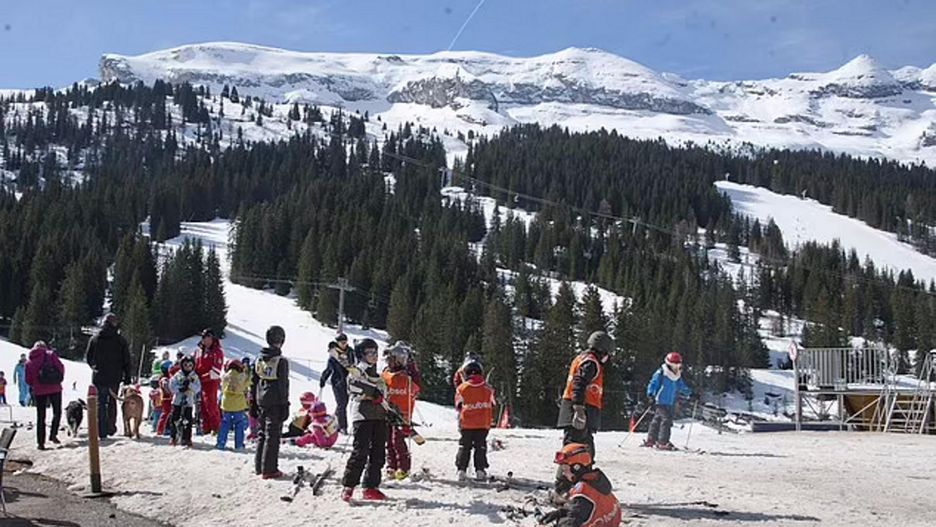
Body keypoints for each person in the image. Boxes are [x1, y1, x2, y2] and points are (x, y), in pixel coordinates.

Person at [556, 331, 614, 492]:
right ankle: (564, 488)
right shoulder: (591, 363)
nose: (607, 357)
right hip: (579, 412)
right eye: (607, 353)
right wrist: (579, 409)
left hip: (579, 410)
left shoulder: (582, 359)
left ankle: (574, 487)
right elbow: (579, 383)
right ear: (602, 350)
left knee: (582, 451)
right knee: (576, 453)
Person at [341, 338, 389, 502]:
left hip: (378, 416)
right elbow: (353, 386)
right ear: (361, 354)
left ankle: (370, 486)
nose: (374, 355)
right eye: (370, 352)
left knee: (378, 453)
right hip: (362, 416)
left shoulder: (379, 375)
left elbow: (383, 395)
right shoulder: (357, 371)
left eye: (376, 352)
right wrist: (371, 393)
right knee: (360, 452)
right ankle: (349, 486)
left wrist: (388, 409)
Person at [540, 443, 622, 527]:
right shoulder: (597, 482)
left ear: (576, 468)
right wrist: (560, 512)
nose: (563, 474)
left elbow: (574, 520)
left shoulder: (583, 493)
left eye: (565, 469)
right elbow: (584, 510)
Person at [250, 325, 290, 479]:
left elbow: (253, 382)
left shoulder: (259, 359)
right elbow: (283, 386)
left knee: (261, 434)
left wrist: (253, 402)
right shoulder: (281, 361)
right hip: (275, 402)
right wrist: (285, 405)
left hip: (260, 400)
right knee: (272, 436)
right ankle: (269, 469)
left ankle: (259, 466)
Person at [85, 314, 132, 440]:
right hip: (114, 377)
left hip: (99, 376)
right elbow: (126, 360)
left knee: (100, 403)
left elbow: (88, 357)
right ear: (114, 324)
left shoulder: (95, 339)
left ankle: (101, 430)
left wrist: (95, 367)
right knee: (112, 402)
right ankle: (111, 427)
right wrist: (127, 376)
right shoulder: (120, 340)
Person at [382, 342, 420, 480]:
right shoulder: (386, 373)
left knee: (397, 440)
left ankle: (403, 467)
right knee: (388, 441)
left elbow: (416, 387)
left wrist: (411, 366)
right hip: (387, 412)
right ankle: (391, 465)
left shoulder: (407, 376)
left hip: (402, 413)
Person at [454, 360, 495, 482]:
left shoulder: (462, 388)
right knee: (480, 446)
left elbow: (458, 405)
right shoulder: (488, 388)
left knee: (464, 446)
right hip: (483, 424)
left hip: (466, 424)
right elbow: (493, 404)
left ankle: (461, 470)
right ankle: (480, 470)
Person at [643, 352, 692, 451]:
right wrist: (651, 395)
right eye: (674, 365)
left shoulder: (676, 375)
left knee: (657, 420)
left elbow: (681, 386)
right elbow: (653, 384)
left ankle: (651, 439)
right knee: (666, 420)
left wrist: (690, 393)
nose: (676, 367)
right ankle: (663, 441)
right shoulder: (661, 373)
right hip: (660, 401)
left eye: (678, 365)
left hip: (669, 402)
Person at [24, 341, 65, 450]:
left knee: (41, 416)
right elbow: (61, 367)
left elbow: (28, 380)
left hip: (39, 391)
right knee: (57, 412)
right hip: (55, 388)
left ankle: (40, 443)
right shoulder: (50, 355)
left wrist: (36, 384)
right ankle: (53, 434)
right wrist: (58, 379)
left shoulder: (29, 362)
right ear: (45, 347)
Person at [195, 329, 224, 435]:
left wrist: (203, 377)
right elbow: (195, 365)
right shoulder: (198, 350)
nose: (205, 340)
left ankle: (216, 428)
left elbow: (216, 371)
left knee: (210, 405)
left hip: (210, 382)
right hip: (199, 382)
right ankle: (205, 428)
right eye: (203, 337)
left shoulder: (217, 351)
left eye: (207, 338)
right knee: (201, 405)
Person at [320, 334, 351, 434]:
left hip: (348, 382)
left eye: (345, 342)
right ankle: (343, 426)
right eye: (342, 342)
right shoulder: (334, 355)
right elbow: (329, 369)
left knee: (344, 403)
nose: (344, 344)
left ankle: (334, 421)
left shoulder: (350, 352)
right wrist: (323, 378)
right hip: (337, 382)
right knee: (341, 404)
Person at [217, 359, 250, 451]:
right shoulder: (242, 376)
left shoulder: (225, 376)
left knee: (224, 423)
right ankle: (238, 444)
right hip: (238, 404)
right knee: (239, 424)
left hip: (226, 403)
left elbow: (222, 387)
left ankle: (221, 443)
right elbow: (248, 383)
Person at [169, 356, 201, 447]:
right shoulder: (178, 375)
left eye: (190, 365)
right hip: (177, 401)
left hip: (188, 402)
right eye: (185, 365)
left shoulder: (194, 376)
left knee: (188, 420)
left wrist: (190, 385)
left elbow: (198, 388)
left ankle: (186, 438)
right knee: (175, 419)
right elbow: (172, 386)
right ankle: (173, 436)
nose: (187, 367)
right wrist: (180, 389)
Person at [241, 357, 258, 440]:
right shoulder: (247, 373)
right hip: (250, 393)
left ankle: (254, 430)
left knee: (252, 413)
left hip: (254, 393)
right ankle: (253, 430)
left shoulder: (251, 373)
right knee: (251, 413)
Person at [155, 363, 174, 437]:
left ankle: (165, 429)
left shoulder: (167, 377)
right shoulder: (164, 378)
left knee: (168, 413)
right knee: (166, 413)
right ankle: (160, 429)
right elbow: (166, 387)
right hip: (166, 398)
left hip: (168, 398)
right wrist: (171, 392)